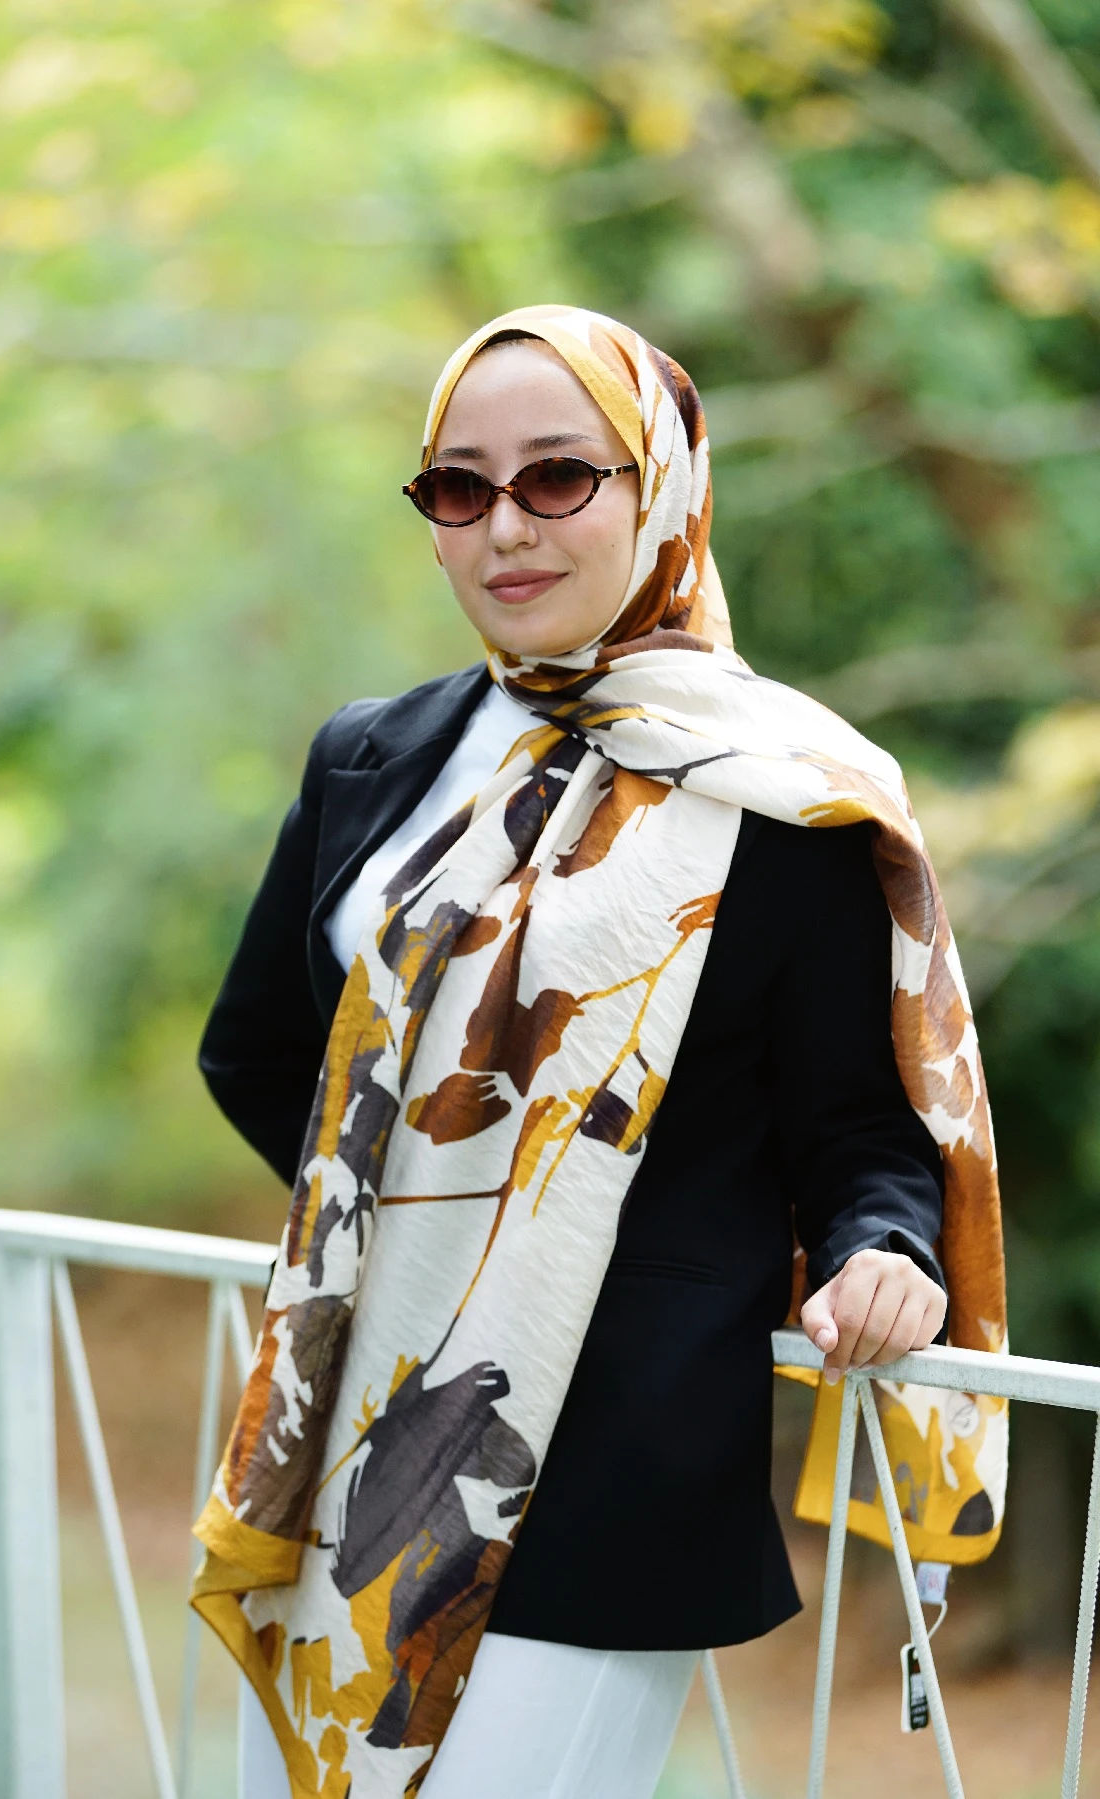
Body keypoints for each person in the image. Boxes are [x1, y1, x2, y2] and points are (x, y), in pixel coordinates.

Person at [191, 305, 1004, 1799]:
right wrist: (414, 1229)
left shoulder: (787, 795)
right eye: (459, 486)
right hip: (352, 1417)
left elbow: (861, 1132)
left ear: (661, 483)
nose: (506, 526)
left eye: (559, 475)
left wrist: (885, 1251)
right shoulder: (373, 755)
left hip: (611, 1450)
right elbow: (256, 1054)